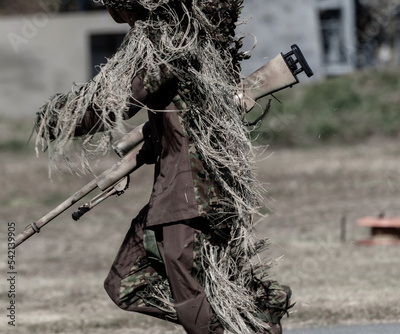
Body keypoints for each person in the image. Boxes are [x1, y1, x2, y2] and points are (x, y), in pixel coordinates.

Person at [34, 1, 293, 333]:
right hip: (180, 186)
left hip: (193, 186)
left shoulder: (166, 37)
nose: (116, 16)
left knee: (188, 285)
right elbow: (186, 108)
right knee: (125, 281)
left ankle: (247, 313)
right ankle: (254, 309)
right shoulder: (183, 34)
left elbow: (117, 100)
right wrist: (149, 141)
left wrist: (54, 119)